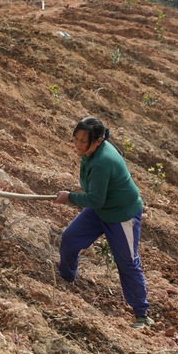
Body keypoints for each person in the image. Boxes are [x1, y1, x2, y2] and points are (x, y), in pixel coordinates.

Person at [53, 116, 153, 329]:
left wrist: (69, 197)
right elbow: (97, 198)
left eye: (83, 141)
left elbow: (95, 198)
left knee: (127, 262)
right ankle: (66, 277)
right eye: (76, 139)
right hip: (101, 209)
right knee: (70, 238)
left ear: (98, 141)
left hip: (121, 214)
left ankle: (142, 315)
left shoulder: (102, 161)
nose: (78, 144)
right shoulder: (91, 152)